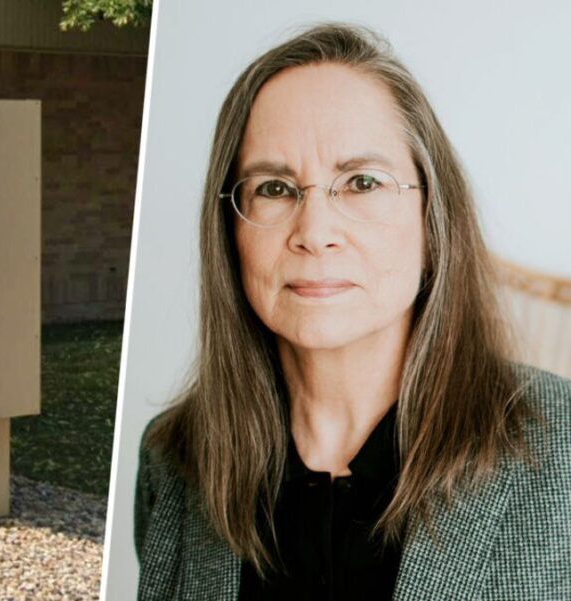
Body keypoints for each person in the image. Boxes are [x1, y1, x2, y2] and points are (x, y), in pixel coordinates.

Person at [133, 23, 571, 600]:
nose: (314, 234)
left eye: (361, 182)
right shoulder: (174, 456)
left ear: (433, 218)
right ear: (229, 230)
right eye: (274, 188)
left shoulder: (561, 448)